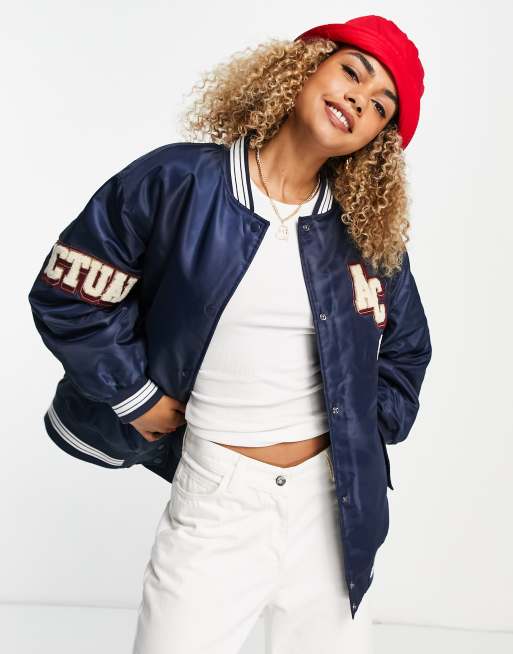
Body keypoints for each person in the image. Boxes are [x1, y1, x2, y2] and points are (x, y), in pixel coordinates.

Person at [27, 14, 432, 654]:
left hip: (334, 510)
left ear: (377, 140)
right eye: (352, 73)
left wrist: (365, 426)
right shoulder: (177, 182)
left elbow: (407, 349)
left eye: (381, 106)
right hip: (218, 496)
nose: (359, 99)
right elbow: (69, 292)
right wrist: (133, 394)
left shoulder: (364, 233)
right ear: (304, 68)